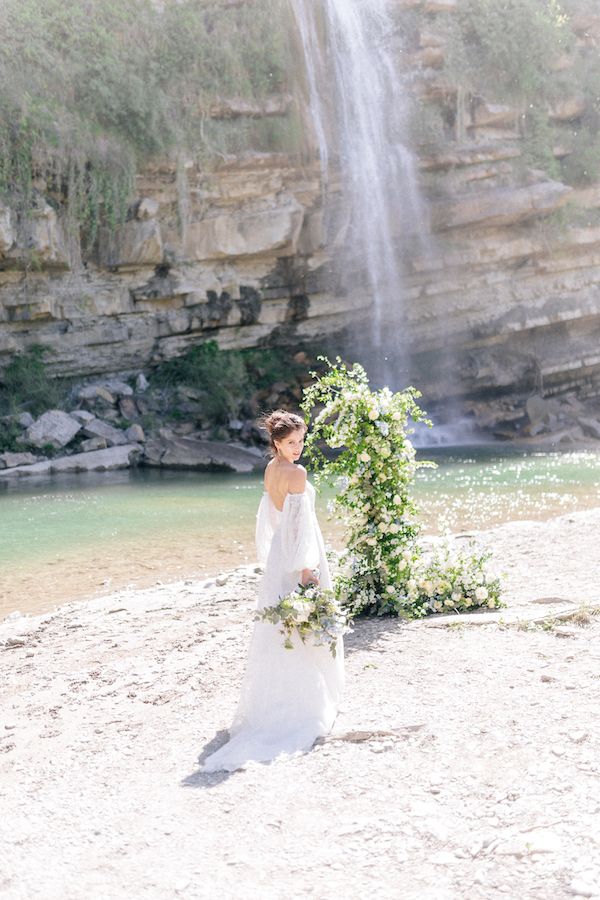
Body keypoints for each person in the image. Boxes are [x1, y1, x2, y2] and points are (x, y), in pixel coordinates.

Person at [201, 409, 345, 772]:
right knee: (303, 623)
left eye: (301, 441)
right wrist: (307, 571)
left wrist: (274, 556)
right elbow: (300, 526)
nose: (298, 448)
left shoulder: (270, 469)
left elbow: (270, 516)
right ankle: (305, 703)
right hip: (300, 556)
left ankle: (278, 700)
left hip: (281, 554)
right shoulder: (297, 474)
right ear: (277, 442)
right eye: (291, 442)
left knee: (282, 626)